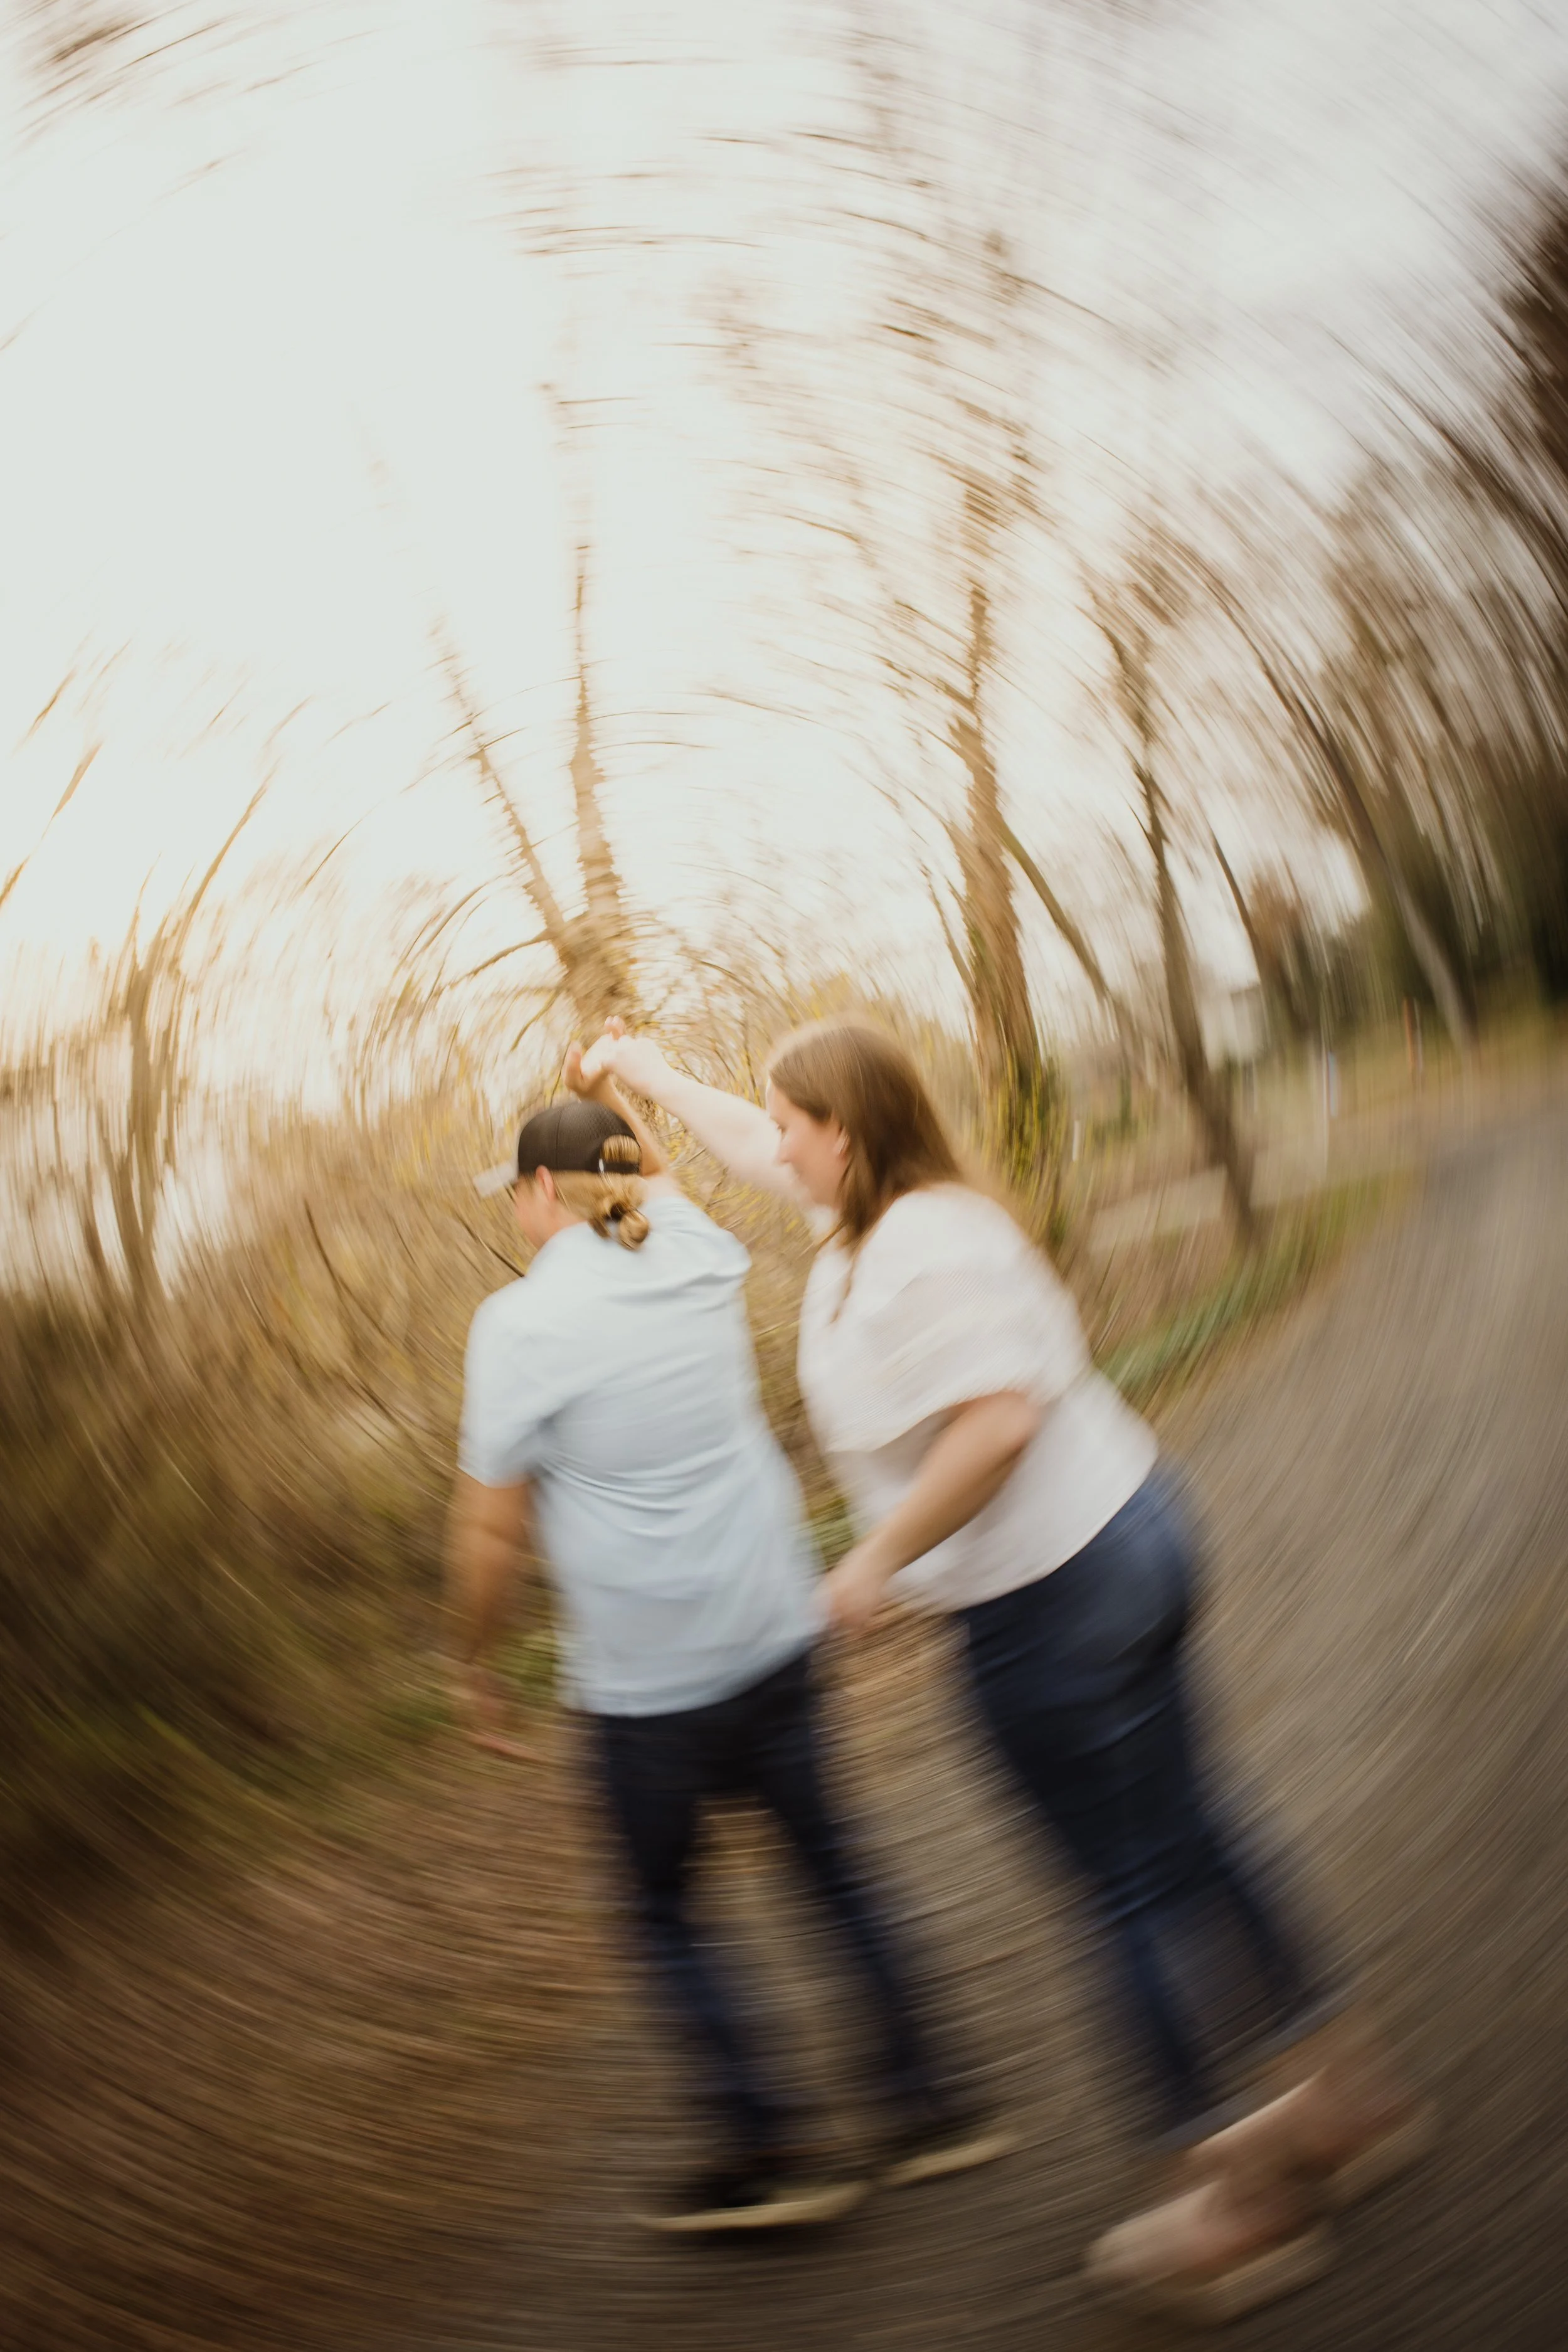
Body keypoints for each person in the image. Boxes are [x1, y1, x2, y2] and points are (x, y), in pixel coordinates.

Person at [573, 1015, 1433, 2319]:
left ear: (842, 1134)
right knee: (1192, 1830)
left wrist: (873, 1564)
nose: (770, 1135)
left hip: (1056, 1602)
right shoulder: (875, 1212)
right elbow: (749, 1140)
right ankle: (1347, 2103)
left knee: (1125, 1891)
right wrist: (642, 1072)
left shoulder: (912, 1246)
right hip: (1121, 1541)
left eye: (787, 1118)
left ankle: (1237, 2205)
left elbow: (997, 1424)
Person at [447, 1081, 1008, 2237]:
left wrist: (474, 1660)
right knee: (834, 1868)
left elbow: (489, 1528)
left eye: (515, 1188)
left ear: (543, 1188)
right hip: (775, 1631)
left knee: (664, 1912)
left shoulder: (518, 1327)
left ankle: (770, 2143)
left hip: (650, 1686)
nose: (512, 1210)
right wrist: (612, 1098)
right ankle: (930, 2105)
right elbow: (657, 1181)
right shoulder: (698, 1249)